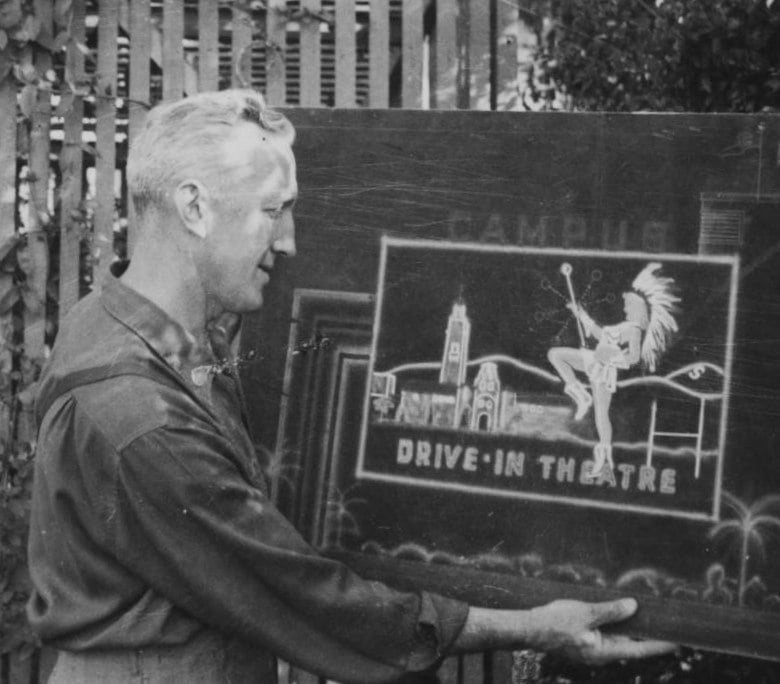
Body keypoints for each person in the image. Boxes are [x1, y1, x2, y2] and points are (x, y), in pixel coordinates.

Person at [27, 90, 675, 683]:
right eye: (272, 211)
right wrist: (537, 626)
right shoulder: (143, 417)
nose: (290, 239)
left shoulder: (111, 319)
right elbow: (304, 599)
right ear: (194, 207)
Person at [548, 263, 680, 472]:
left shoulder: (634, 329)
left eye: (628, 304)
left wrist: (611, 357)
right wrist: (581, 315)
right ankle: (581, 396)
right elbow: (601, 335)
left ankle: (604, 455)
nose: (625, 308)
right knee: (556, 355)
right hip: (594, 360)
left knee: (602, 414)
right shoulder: (624, 326)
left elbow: (633, 357)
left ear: (637, 307)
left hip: (604, 370)